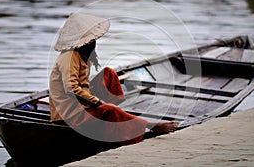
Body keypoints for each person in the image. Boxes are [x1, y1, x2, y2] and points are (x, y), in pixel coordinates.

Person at [49, 12, 178, 145]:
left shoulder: (81, 53)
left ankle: (108, 116)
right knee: (111, 109)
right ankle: (149, 125)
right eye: (91, 40)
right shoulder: (69, 57)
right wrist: (98, 103)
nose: (93, 42)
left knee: (108, 74)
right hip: (69, 114)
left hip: (81, 103)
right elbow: (71, 88)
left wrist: (96, 101)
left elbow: (82, 83)